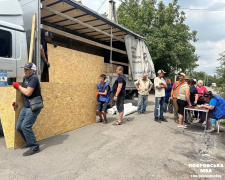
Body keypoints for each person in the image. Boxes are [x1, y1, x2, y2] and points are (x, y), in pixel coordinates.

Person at [13, 63, 42, 156]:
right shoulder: (25, 78)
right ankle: (29, 142)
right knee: (19, 127)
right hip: (26, 106)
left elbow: (28, 93)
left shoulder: (34, 78)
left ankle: (34, 146)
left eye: (27, 69)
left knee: (25, 126)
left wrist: (18, 86)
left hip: (33, 106)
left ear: (33, 71)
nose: (25, 70)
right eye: (24, 68)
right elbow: (24, 92)